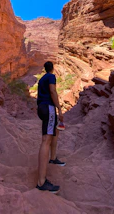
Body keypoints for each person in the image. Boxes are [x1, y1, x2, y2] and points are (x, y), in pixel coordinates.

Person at [36, 61, 65, 193]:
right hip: (49, 108)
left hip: (42, 107)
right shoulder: (51, 76)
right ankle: (41, 182)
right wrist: (59, 108)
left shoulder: (42, 79)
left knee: (55, 132)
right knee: (46, 140)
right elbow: (53, 92)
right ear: (52, 69)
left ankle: (53, 158)